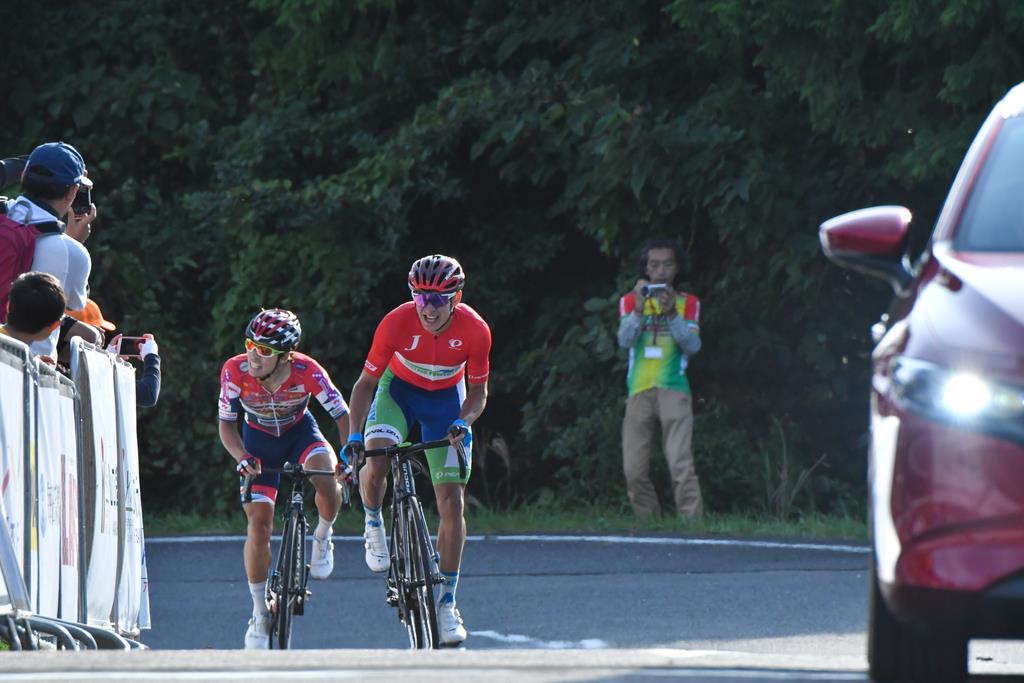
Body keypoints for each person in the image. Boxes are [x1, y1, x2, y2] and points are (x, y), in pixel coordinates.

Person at [343, 254, 492, 646]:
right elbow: (364, 385)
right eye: (419, 297)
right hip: (399, 393)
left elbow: (478, 392)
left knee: (452, 504)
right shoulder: (395, 321)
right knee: (376, 462)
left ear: (456, 297)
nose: (427, 308)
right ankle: (374, 523)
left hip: (446, 404)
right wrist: (355, 436)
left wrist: (464, 421)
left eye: (438, 300)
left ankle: (446, 602)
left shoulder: (475, 331)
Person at [217, 308, 349, 649]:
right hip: (258, 443)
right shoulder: (235, 370)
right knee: (259, 525)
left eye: (264, 350)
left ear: (287, 356)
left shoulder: (307, 371)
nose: (253, 355)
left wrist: (349, 454)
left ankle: (322, 534)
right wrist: (242, 457)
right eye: (250, 344)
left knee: (326, 472)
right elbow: (226, 425)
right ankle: (260, 611)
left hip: (300, 433)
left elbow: (341, 414)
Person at [617, 237, 703, 519]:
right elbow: (625, 340)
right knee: (633, 467)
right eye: (654, 265)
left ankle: (692, 523)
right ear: (646, 269)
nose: (661, 271)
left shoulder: (688, 302)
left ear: (676, 268)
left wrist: (671, 313)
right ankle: (648, 522)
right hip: (639, 388)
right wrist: (640, 310)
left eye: (667, 264)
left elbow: (692, 345)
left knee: (680, 461)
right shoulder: (630, 300)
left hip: (674, 387)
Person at [3, 142, 97, 360]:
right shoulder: (74, 253)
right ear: (73, 191)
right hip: (25, 377)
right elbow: (72, 306)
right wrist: (75, 242)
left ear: (24, 174)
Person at [68, 298, 162, 408]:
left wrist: (107, 361)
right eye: (97, 328)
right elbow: (148, 394)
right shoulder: (93, 375)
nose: (103, 332)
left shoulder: (60, 364)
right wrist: (151, 356)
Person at [0, 271, 66, 361]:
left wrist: (33, 361)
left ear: (8, 306)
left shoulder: (17, 356)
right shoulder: (19, 362)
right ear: (53, 326)